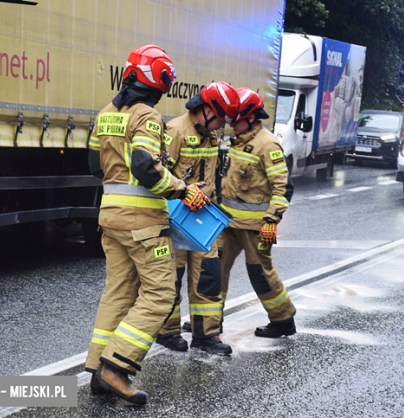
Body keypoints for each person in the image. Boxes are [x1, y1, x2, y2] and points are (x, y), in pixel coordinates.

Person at [85, 45, 210, 405]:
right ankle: (116, 367)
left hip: (109, 217)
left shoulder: (106, 113)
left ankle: (97, 371)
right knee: (160, 295)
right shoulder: (148, 117)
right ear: (159, 81)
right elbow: (143, 166)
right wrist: (182, 189)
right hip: (143, 222)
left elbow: (93, 164)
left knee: (118, 292)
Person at [156, 82, 239, 355]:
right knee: (173, 276)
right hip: (177, 216)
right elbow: (159, 176)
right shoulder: (175, 131)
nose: (221, 125)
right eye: (219, 118)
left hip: (203, 217)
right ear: (206, 109)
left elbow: (212, 177)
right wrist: (179, 197)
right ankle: (167, 331)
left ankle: (206, 335)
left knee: (209, 276)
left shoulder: (211, 135)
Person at [218, 87, 297, 338]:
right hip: (228, 224)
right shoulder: (237, 142)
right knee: (213, 269)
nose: (232, 125)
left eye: (236, 120)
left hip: (256, 228)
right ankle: (208, 322)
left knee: (260, 273)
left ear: (251, 118)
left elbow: (282, 188)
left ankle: (283, 319)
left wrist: (271, 220)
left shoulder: (267, 144)